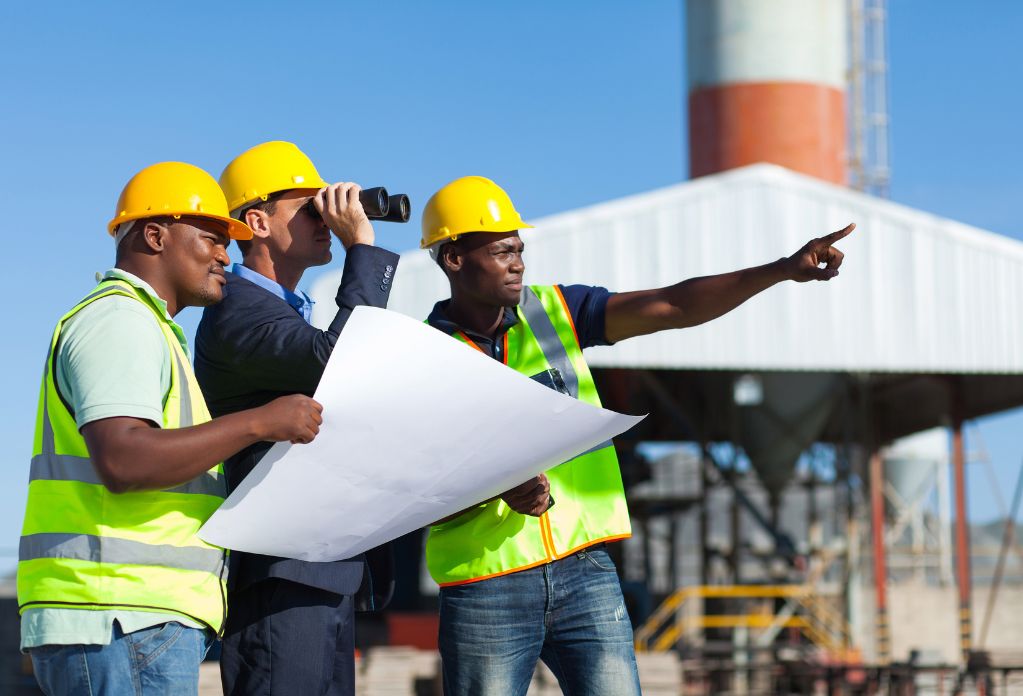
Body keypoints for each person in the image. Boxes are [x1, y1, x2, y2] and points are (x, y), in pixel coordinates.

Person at [420, 175, 854, 696]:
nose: (519, 262)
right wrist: (498, 488)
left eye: (520, 249)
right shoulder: (423, 358)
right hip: (485, 584)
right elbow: (413, 493)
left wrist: (782, 270)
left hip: (585, 571)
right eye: (502, 251)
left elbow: (674, 305)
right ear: (454, 259)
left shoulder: (555, 312)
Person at [17, 161, 324, 696]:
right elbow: (125, 460)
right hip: (117, 614)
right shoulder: (120, 320)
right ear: (155, 236)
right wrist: (259, 422)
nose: (226, 256)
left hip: (131, 615)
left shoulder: (151, 329)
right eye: (210, 239)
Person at [193, 141, 400, 696]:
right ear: (256, 222)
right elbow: (343, 360)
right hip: (281, 564)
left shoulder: (287, 309)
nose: (328, 218)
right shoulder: (235, 304)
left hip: (323, 563)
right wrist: (363, 247)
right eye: (310, 208)